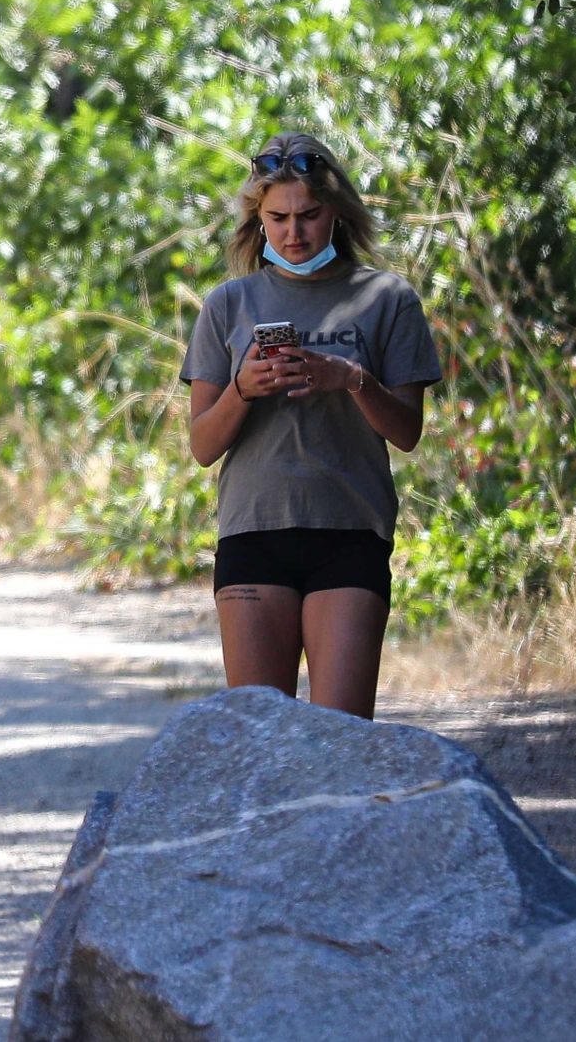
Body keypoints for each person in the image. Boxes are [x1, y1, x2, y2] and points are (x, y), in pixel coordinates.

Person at [179, 131, 441, 720]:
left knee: (341, 741)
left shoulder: (386, 299)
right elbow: (202, 445)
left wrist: (350, 379)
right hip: (253, 534)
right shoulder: (228, 304)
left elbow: (407, 432)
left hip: (350, 533)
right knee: (258, 745)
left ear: (337, 215)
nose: (293, 232)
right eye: (278, 218)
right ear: (258, 220)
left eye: (309, 215)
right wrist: (244, 389)